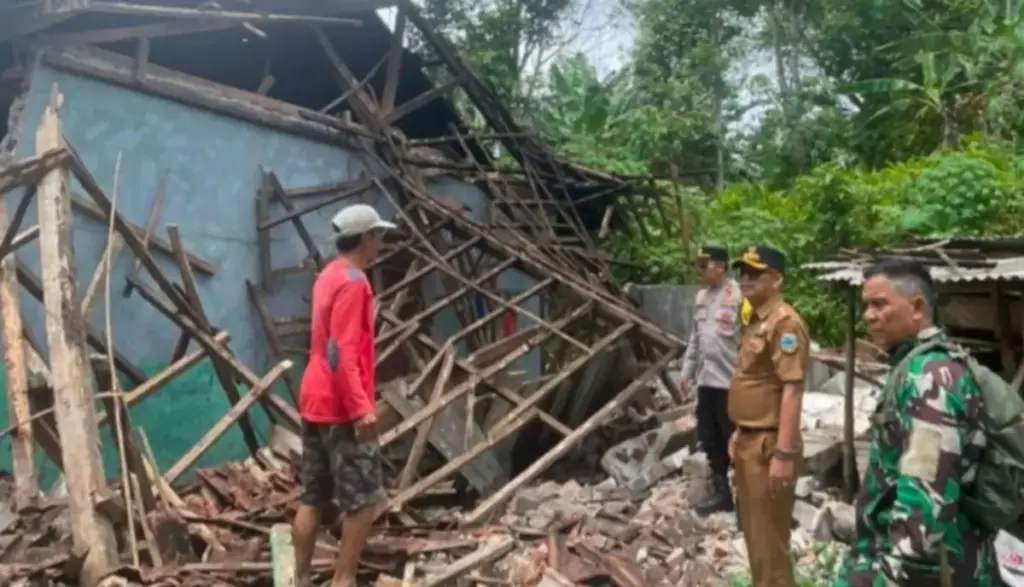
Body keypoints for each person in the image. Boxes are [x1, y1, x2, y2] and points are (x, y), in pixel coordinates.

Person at [834, 260, 995, 586]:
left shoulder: (930, 378)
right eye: (867, 306)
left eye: (879, 305)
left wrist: (888, 579)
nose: (868, 316)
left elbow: (924, 504)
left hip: (927, 571)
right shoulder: (914, 368)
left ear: (917, 307)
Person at [292, 203, 396, 587]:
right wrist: (359, 409)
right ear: (367, 238)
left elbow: (328, 349)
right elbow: (342, 350)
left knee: (312, 496)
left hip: (313, 398)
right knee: (365, 499)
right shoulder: (354, 282)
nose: (381, 243)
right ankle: (344, 579)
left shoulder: (327, 275)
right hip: (339, 405)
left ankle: (299, 578)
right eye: (379, 235)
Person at [728, 245, 809, 587]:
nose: (746, 280)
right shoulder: (755, 320)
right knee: (756, 538)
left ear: (776, 279)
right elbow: (754, 382)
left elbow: (792, 388)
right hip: (750, 438)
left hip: (768, 445)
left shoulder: (784, 322)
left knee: (770, 543)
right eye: (742, 273)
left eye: (755, 273)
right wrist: (738, 430)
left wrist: (784, 453)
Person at [678, 245, 743, 516]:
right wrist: (686, 372)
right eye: (699, 265)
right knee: (710, 438)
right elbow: (696, 338)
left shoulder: (739, 296)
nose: (701, 271)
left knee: (736, 441)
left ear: (721, 266)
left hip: (731, 383)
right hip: (707, 382)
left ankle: (745, 501)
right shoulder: (701, 298)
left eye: (705, 265)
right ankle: (721, 494)